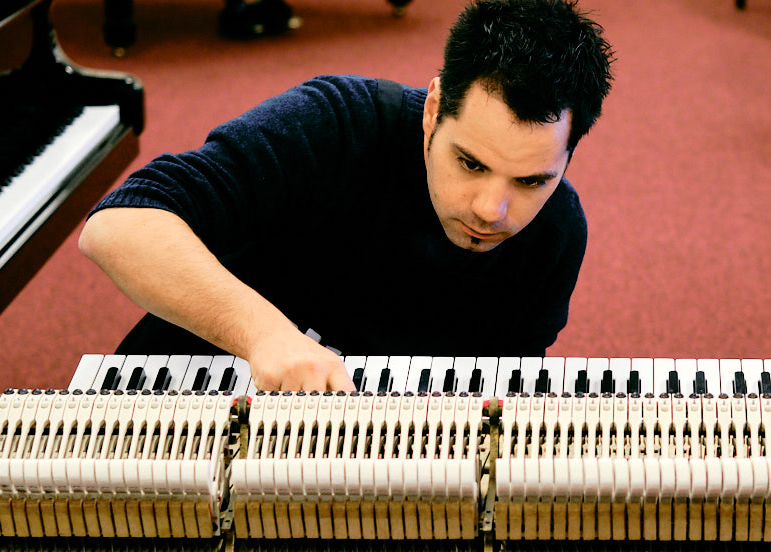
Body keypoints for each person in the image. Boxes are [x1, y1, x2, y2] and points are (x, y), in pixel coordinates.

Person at [79, 0, 615, 392]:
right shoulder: (338, 122)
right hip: (180, 410)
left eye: (530, 181)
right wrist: (264, 335)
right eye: (470, 163)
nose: (489, 210)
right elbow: (118, 226)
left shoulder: (557, 233)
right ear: (433, 111)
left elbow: (497, 397)